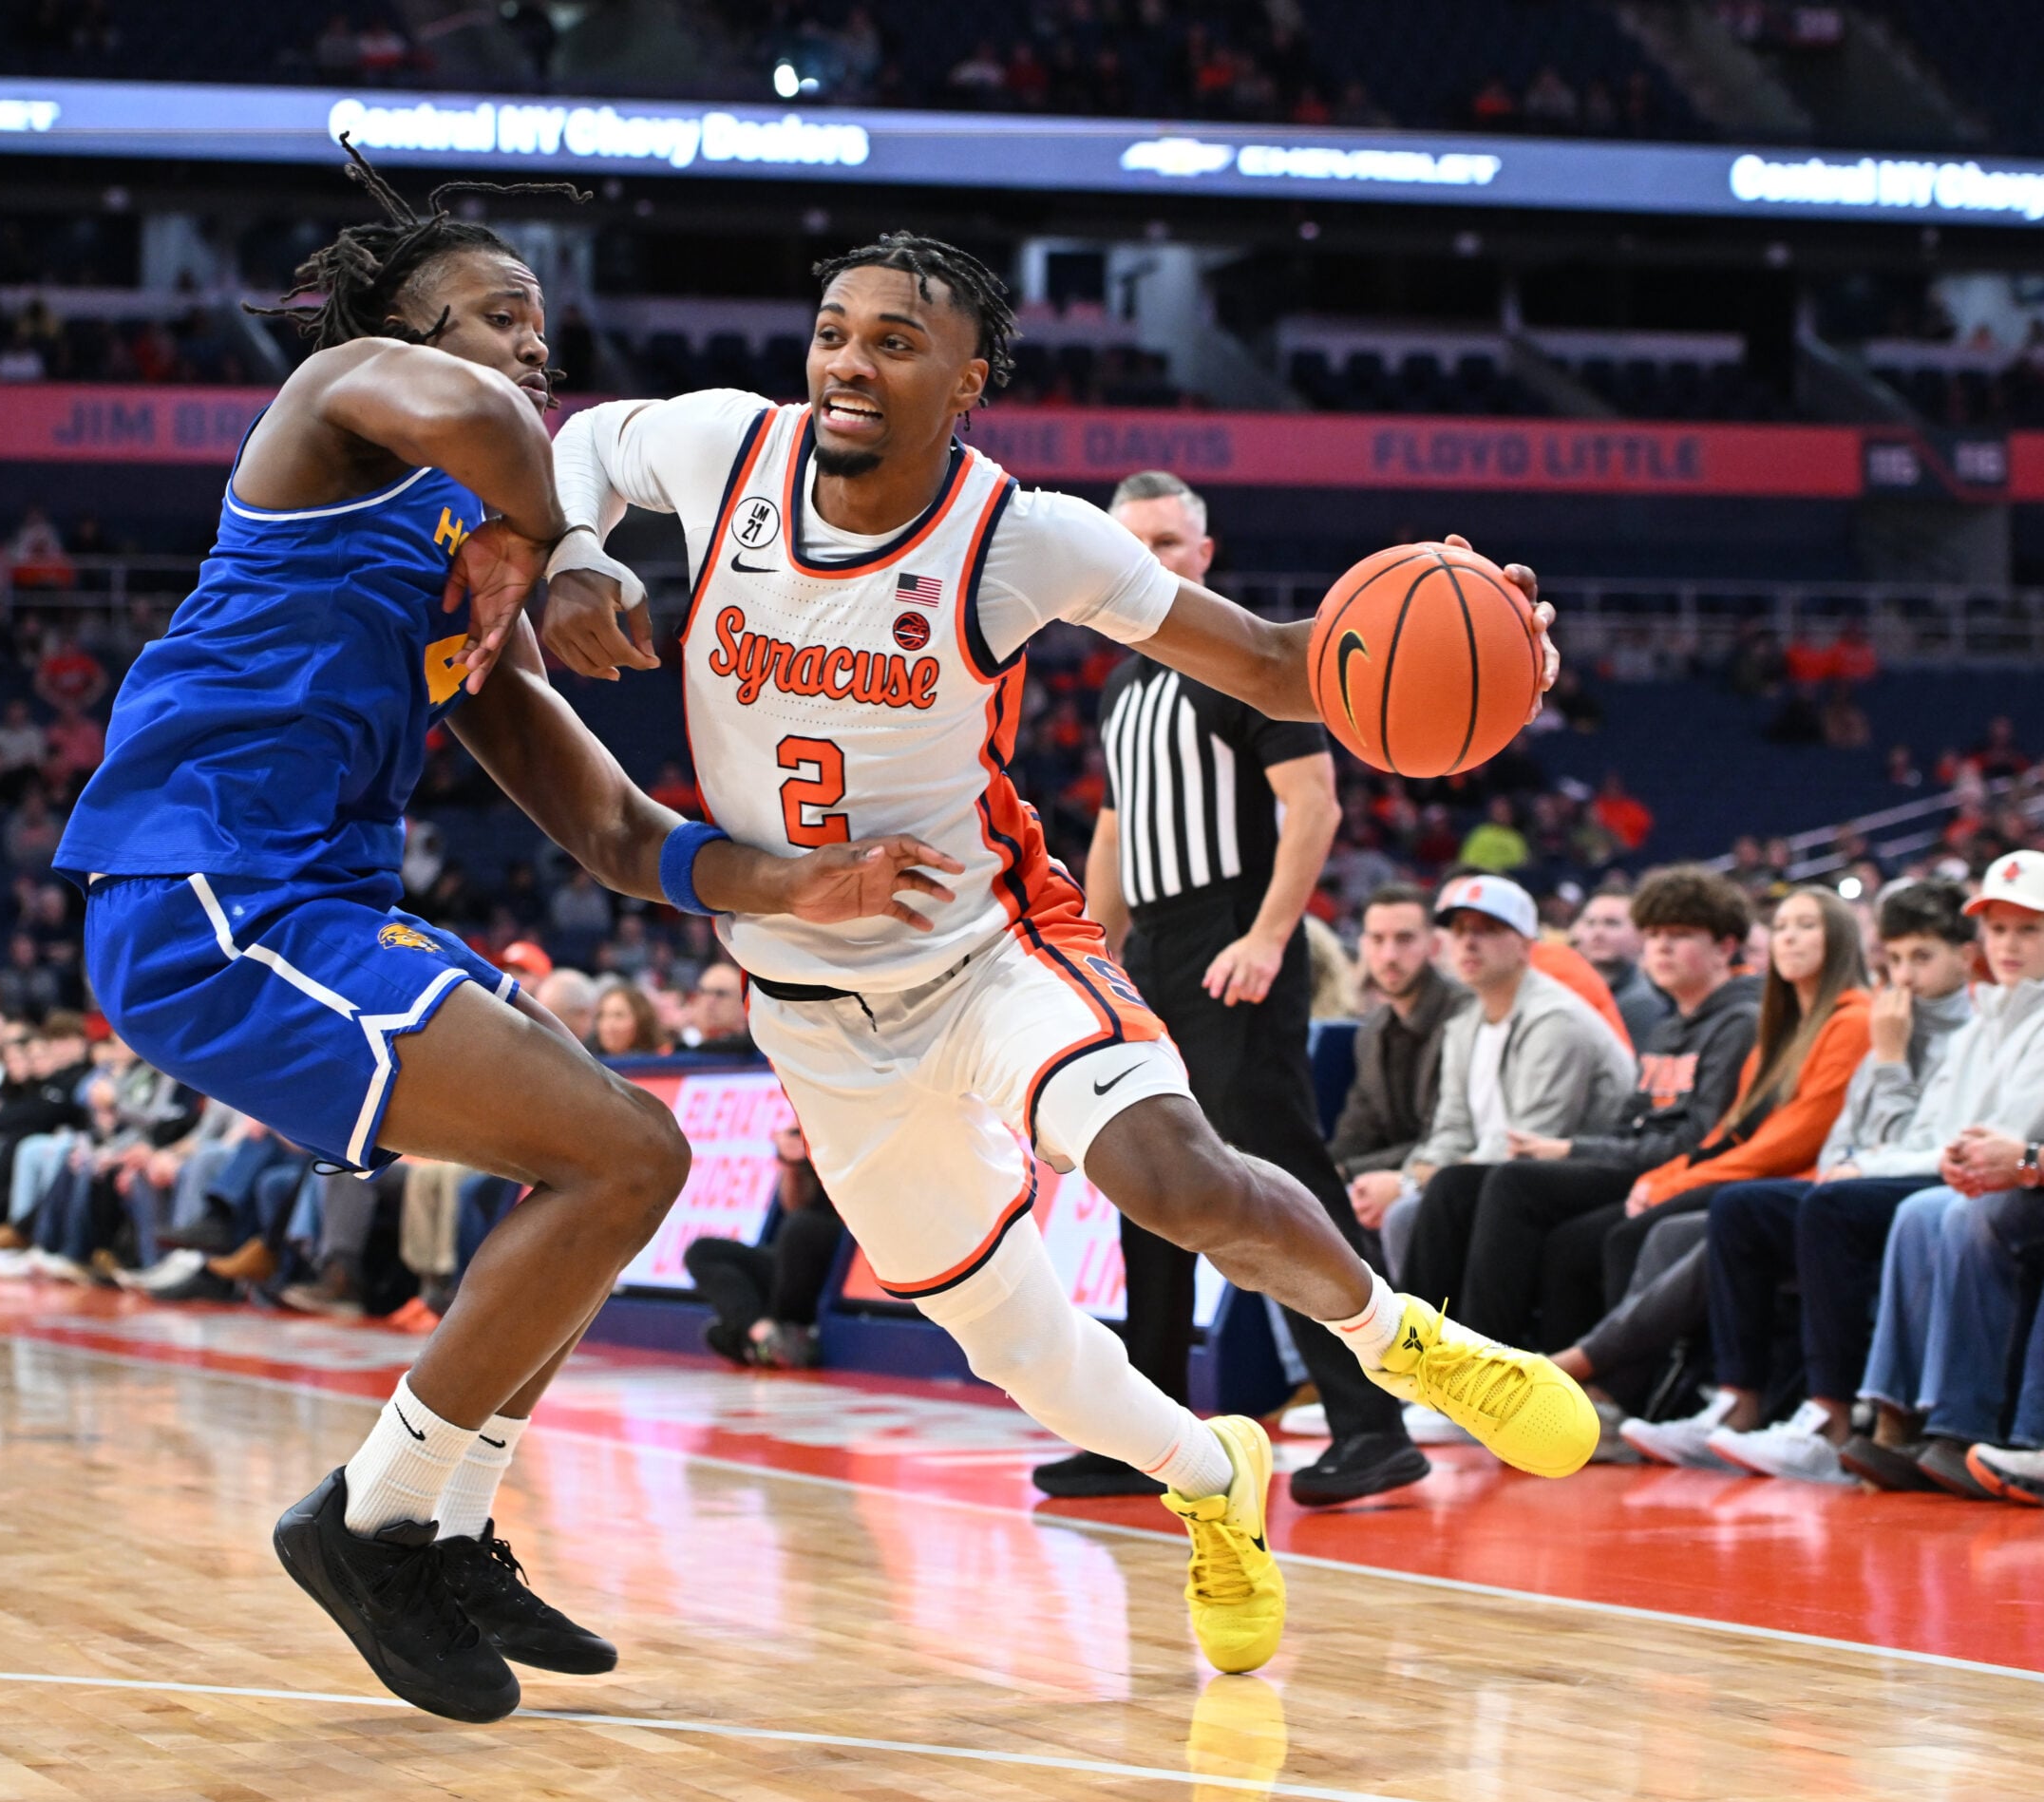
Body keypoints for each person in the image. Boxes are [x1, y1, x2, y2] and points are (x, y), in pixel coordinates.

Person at [542, 228, 1594, 1679]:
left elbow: (1284, 666)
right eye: (836, 331)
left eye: (896, 342)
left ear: (969, 379)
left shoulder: (1023, 535)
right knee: (1018, 1351)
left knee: (1171, 1172)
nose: (850, 362)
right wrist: (577, 554)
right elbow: (586, 438)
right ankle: (1216, 1478)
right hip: (808, 1002)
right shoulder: (728, 451)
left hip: (988, 948)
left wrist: (1481, 643)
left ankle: (1398, 1335)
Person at [49, 151, 960, 1725]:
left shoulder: (473, 569)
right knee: (618, 1155)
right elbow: (480, 426)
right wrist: (573, 540)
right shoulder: (340, 407)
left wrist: (794, 886)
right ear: (410, 327)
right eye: (495, 312)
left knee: (635, 1159)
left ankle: (433, 1523)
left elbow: (610, 831)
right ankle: (367, 1524)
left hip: (316, 908)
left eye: (543, 322)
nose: (531, 342)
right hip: (202, 894)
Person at [1034, 467, 1421, 1508]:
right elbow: (1113, 834)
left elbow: (1315, 805)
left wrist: (1265, 934)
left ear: (1203, 557)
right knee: (1144, 1179)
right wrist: (1092, 955)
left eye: (1168, 544)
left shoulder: (1245, 663)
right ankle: (1147, 1433)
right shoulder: (1121, 684)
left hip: (1233, 935)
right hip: (1153, 950)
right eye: (1131, 545)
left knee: (1278, 1177)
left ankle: (1371, 1420)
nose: (1148, 563)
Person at [1636, 854, 2044, 1476]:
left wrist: (1894, 1108)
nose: (1905, 974)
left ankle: (1856, 1415)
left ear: (1961, 957)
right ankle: (1750, 1401)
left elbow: (1951, 1139)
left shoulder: (1886, 1019)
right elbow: (1850, 1133)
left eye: (2028, 930)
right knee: (1733, 1212)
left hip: (1982, 1175)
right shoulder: (1977, 1019)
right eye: (2001, 929)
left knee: (1906, 1211)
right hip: (1947, 1170)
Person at [1554, 878, 1973, 1426]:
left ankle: (1612, 1380)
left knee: (1690, 1220)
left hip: (1823, 1178)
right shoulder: (1784, 1025)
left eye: (1807, 927)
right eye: (1780, 927)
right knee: (1648, 1229)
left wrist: (1675, 1180)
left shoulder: (1861, 1021)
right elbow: (1735, 1131)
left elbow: (1796, 1139)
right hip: (1822, 1177)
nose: (1789, 939)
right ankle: (1672, 1398)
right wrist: (1674, 1174)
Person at [1390, 865, 1756, 1352]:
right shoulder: (1671, 1028)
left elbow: (1698, 1141)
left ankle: (1478, 1367)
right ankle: (1419, 1363)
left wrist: (1570, 1149)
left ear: (1726, 947)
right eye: (1653, 936)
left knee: (1510, 1182)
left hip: (1675, 1174)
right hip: (1629, 1161)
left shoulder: (1737, 1023)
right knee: (1457, 1187)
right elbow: (1630, 1127)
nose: (1661, 948)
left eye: (1680, 935)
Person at [1365, 875, 1635, 1306]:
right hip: (1496, 1176)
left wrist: (1410, 1183)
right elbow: (1451, 1128)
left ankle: (1458, 1351)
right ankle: (1410, 1358)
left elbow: (1530, 1140)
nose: (1469, 943)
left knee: (1439, 1199)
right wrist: (1413, 1177)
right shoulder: (1463, 1025)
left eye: (1487, 930)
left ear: (1526, 945)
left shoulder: (1555, 1020)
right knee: (1400, 1207)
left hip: (1584, 1175)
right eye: (1460, 930)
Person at [1334, 882, 1474, 1277]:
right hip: (1393, 1171)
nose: (1389, 955)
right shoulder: (1373, 1028)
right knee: (1290, 1210)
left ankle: (1412, 1337)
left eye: (1404, 939)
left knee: (1393, 1212)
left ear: (1433, 946)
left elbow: (1448, 1134)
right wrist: (1329, 1172)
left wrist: (1352, 1173)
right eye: (1377, 940)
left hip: (1452, 1172)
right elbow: (1359, 1125)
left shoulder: (1467, 1015)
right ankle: (1330, 1341)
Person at [685, 1123, 841, 1368]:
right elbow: (795, 1205)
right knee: (703, 1251)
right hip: (792, 1264)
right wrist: (793, 1164)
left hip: (842, 1250)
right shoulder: (808, 1120)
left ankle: (755, 1339)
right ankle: (763, 1332)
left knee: (800, 1229)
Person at [1571, 883, 1669, 1047]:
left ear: (1641, 935)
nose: (1597, 933)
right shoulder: (1574, 992)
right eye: (1590, 923)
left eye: (1611, 923)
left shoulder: (1642, 1003)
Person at [683, 959, 756, 1055]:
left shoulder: (764, 1054)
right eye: (704, 992)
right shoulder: (674, 1052)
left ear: (743, 1005)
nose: (710, 1001)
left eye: (720, 994)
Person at [590, 979, 669, 1057]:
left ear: (641, 1019)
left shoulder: (665, 1060)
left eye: (619, 1015)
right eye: (602, 1015)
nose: (608, 1024)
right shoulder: (586, 1062)